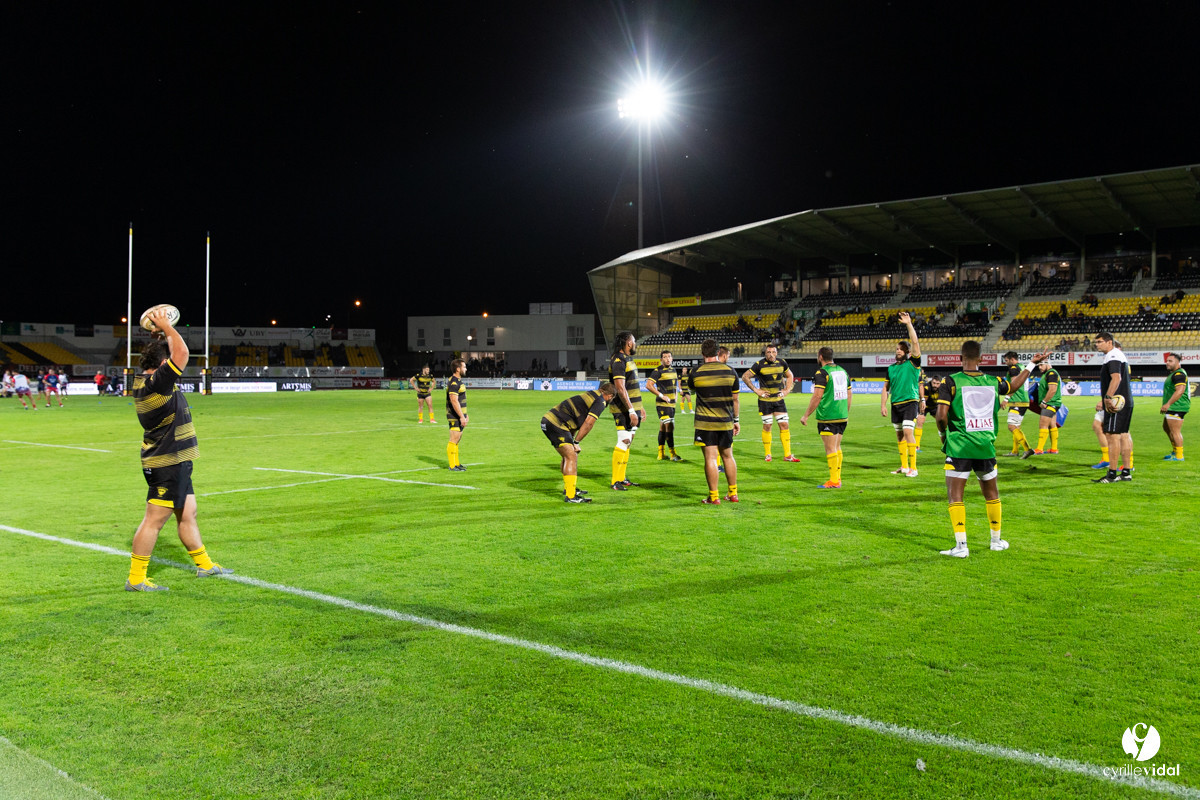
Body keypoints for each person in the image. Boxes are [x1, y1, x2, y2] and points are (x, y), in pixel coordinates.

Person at [126, 307, 232, 591]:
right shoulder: (157, 383)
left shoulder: (150, 382)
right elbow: (182, 354)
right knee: (154, 520)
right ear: (162, 365)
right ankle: (136, 579)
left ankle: (205, 565)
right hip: (167, 461)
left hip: (176, 459)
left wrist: (163, 332)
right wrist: (167, 327)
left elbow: (175, 352)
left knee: (188, 513)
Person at [935, 341, 1049, 557]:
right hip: (986, 446)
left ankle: (961, 547)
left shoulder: (950, 381)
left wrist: (943, 435)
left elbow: (941, 415)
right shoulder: (993, 381)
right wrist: (1031, 364)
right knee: (991, 494)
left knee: (955, 496)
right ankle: (996, 541)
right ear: (981, 359)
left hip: (960, 446)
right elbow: (1014, 387)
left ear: (960, 357)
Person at [541, 382, 616, 503]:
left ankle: (569, 488)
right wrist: (576, 442)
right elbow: (588, 423)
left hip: (550, 421)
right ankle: (571, 496)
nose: (610, 401)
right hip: (557, 423)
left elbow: (575, 415)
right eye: (611, 398)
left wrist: (572, 440)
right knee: (571, 456)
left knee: (568, 455)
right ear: (609, 395)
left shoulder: (591, 394)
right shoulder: (600, 400)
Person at [689, 339, 739, 504]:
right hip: (726, 421)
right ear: (718, 352)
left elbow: (692, 390)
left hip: (705, 423)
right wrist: (736, 420)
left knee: (711, 458)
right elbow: (736, 400)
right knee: (728, 456)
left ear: (703, 354)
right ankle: (733, 494)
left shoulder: (696, 372)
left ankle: (714, 496)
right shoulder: (731, 372)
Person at [799, 346, 851, 488]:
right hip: (842, 415)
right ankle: (837, 478)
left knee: (830, 448)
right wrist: (846, 412)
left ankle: (834, 481)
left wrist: (806, 415)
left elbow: (817, 396)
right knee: (837, 447)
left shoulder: (822, 373)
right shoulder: (843, 371)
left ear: (820, 356)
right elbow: (849, 394)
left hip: (828, 416)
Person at [880, 311, 922, 476]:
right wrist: (883, 404)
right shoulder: (891, 368)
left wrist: (909, 324)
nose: (898, 351)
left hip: (910, 402)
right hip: (895, 404)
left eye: (901, 349)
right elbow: (885, 388)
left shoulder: (913, 363)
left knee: (907, 432)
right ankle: (904, 466)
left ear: (908, 352)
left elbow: (915, 342)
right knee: (899, 436)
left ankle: (914, 468)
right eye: (897, 348)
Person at [741, 344, 798, 463]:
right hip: (765, 401)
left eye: (773, 352)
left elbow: (790, 375)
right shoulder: (759, 365)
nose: (771, 354)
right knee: (768, 426)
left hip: (778, 400)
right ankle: (768, 454)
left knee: (784, 425)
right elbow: (745, 376)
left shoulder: (782, 363)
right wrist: (756, 390)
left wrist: (787, 390)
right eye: (768, 352)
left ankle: (787, 455)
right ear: (765, 353)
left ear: (776, 353)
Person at [1092, 332, 1133, 483]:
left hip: (1116, 403)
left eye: (1100, 342)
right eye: (1096, 342)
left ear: (1110, 342)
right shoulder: (1118, 354)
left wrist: (1107, 399)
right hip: (1124, 401)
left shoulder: (1113, 355)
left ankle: (1112, 474)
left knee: (1112, 436)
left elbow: (1116, 378)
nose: (1097, 345)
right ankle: (1126, 472)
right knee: (1124, 435)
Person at [607, 331, 646, 491]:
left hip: (633, 408)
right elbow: (620, 388)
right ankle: (615, 481)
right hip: (623, 409)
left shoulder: (628, 359)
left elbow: (632, 386)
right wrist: (630, 410)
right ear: (628, 343)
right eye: (634, 341)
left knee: (628, 443)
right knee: (624, 441)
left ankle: (621, 478)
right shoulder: (618, 360)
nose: (635, 344)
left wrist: (639, 407)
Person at [644, 351, 683, 462]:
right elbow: (648, 385)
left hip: (671, 404)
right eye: (665, 357)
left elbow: (675, 384)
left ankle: (661, 453)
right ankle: (673, 454)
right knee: (670, 427)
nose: (667, 359)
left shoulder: (674, 370)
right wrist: (661, 395)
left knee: (663, 428)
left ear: (672, 358)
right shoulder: (658, 371)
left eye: (669, 356)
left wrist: (676, 396)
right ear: (661, 359)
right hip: (663, 405)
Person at [1022, 361, 1062, 457]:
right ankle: (1054, 448)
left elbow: (1052, 389)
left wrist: (1044, 401)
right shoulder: (1049, 373)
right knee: (1052, 425)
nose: (1039, 367)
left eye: (1041, 365)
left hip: (1049, 403)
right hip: (1053, 403)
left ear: (1047, 364)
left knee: (1043, 425)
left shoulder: (1051, 374)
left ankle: (1039, 449)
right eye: (1038, 365)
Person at [1000, 351, 1031, 456]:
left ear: (1012, 359)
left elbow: (1014, 385)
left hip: (1017, 400)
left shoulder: (1013, 368)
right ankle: (1015, 451)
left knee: (1011, 426)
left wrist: (1006, 398)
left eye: (1007, 360)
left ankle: (1027, 449)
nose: (1006, 363)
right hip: (1024, 400)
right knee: (1016, 427)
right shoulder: (1022, 367)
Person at [1161, 352, 1189, 461]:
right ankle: (1175, 451)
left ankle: (1179, 456)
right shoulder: (1175, 374)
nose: (1167, 363)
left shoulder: (1179, 374)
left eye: (1170, 361)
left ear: (1177, 362)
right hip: (1174, 406)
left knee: (1175, 431)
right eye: (1167, 361)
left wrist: (1168, 404)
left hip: (1177, 406)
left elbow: (1180, 390)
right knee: (1166, 427)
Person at [445, 358, 468, 471]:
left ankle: (457, 463)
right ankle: (452, 465)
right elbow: (454, 400)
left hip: (460, 415)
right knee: (453, 439)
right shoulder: (454, 382)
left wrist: (465, 414)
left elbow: (461, 399)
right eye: (464, 367)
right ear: (458, 369)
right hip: (454, 416)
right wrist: (461, 416)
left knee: (457, 439)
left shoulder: (458, 381)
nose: (466, 369)